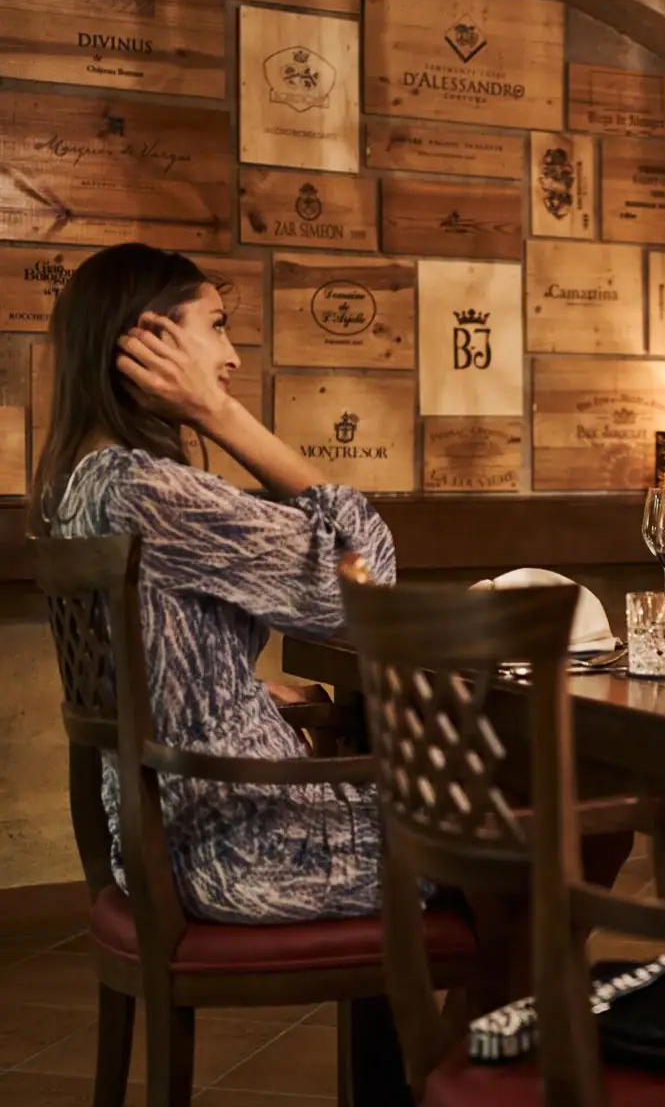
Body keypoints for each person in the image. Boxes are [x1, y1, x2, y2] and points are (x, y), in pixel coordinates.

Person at [32, 242, 401, 925]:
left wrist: (231, 689)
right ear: (153, 340)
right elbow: (364, 579)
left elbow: (146, 667)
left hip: (173, 837)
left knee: (509, 832)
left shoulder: (76, 489)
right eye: (218, 325)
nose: (231, 357)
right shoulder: (149, 490)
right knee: (537, 835)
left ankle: (467, 1027)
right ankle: (506, 1030)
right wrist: (219, 414)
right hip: (247, 844)